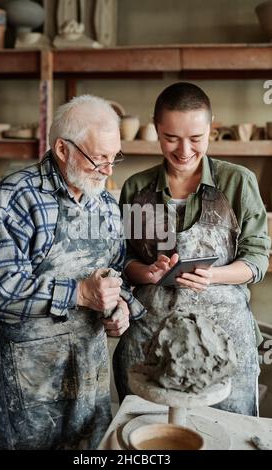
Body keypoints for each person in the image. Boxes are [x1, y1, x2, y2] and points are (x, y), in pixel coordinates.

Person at [0, 95, 145, 450]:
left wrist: (120, 306)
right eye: (99, 158)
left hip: (86, 376)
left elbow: (115, 271)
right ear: (63, 149)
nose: (109, 170)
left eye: (114, 158)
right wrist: (80, 293)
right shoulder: (16, 196)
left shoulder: (106, 204)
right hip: (25, 385)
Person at [113, 82, 271, 416]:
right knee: (147, 431)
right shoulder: (137, 187)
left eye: (196, 139)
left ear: (211, 129)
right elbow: (123, 260)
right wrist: (148, 272)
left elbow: (257, 257)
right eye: (171, 137)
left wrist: (214, 276)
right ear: (156, 130)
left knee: (226, 431)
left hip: (223, 340)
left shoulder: (237, 182)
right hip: (150, 340)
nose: (184, 149)